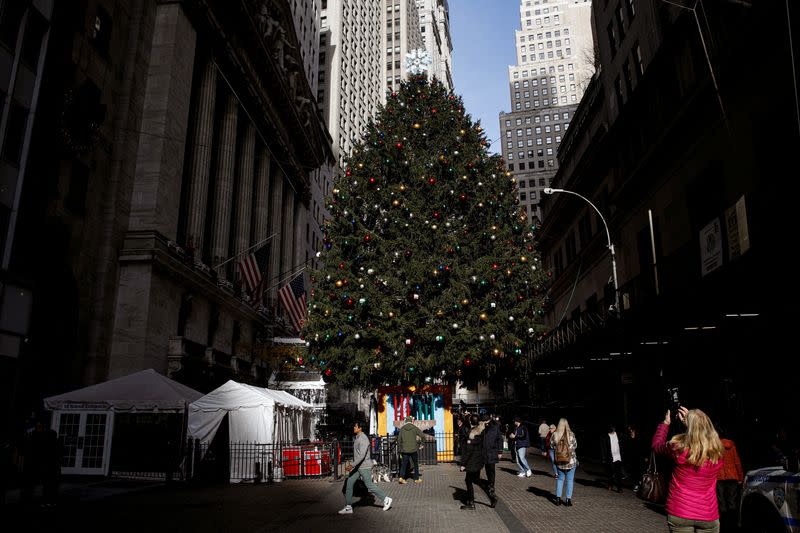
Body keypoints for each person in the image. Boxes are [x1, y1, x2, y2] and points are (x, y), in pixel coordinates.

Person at [652, 406, 724, 532]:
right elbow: (700, 439)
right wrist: (692, 423)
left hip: (680, 511)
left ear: (688, 427)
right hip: (707, 513)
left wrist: (666, 424)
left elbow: (657, 446)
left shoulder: (678, 448)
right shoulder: (717, 454)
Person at [339, 421, 393, 514]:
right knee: (349, 482)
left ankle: (386, 499)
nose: (354, 428)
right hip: (358, 467)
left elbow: (362, 456)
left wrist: (352, 465)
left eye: (355, 426)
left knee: (369, 485)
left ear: (360, 428)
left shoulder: (363, 439)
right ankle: (348, 507)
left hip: (364, 466)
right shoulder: (358, 437)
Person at [21, 419, 62, 507]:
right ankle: (49, 500)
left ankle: (45, 500)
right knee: (50, 485)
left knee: (47, 484)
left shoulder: (43, 440)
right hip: (47, 466)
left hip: (45, 465)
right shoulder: (50, 442)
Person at [716, 427, 743, 530]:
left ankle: (723, 526)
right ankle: (733, 526)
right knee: (732, 503)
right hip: (733, 476)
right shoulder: (731, 445)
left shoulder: (715, 446)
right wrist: (740, 477)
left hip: (719, 477)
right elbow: (737, 462)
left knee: (721, 502)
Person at [459, 414, 486, 510]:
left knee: (469, 481)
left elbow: (468, 451)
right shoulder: (482, 431)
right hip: (479, 460)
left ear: (470, 421)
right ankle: (490, 493)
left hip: (472, 461)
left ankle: (471, 503)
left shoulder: (472, 433)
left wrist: (463, 464)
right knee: (476, 480)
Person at [397, 416, 433, 484]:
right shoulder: (414, 428)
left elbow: (399, 440)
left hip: (404, 450)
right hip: (413, 449)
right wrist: (422, 444)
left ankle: (401, 477)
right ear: (411, 421)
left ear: (406, 421)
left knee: (404, 464)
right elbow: (422, 436)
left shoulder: (402, 429)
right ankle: (416, 479)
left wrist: (399, 449)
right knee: (415, 464)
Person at [551, 418, 578, 506]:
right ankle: (568, 500)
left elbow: (551, 445)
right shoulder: (571, 434)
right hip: (570, 461)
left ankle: (558, 499)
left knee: (560, 479)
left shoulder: (555, 434)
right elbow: (575, 446)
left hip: (559, 462)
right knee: (570, 480)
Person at [481, 413, 502, 508]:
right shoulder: (483, 427)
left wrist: (500, 451)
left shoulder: (495, 426)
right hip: (486, 452)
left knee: (491, 469)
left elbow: (499, 439)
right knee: (488, 469)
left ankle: (491, 485)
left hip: (491, 451)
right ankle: (490, 484)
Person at [601, 424, 624, 493]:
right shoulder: (604, 437)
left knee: (618, 473)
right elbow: (603, 448)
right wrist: (604, 458)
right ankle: (610, 484)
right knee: (610, 472)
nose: (613, 429)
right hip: (610, 457)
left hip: (618, 457)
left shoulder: (619, 435)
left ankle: (619, 488)